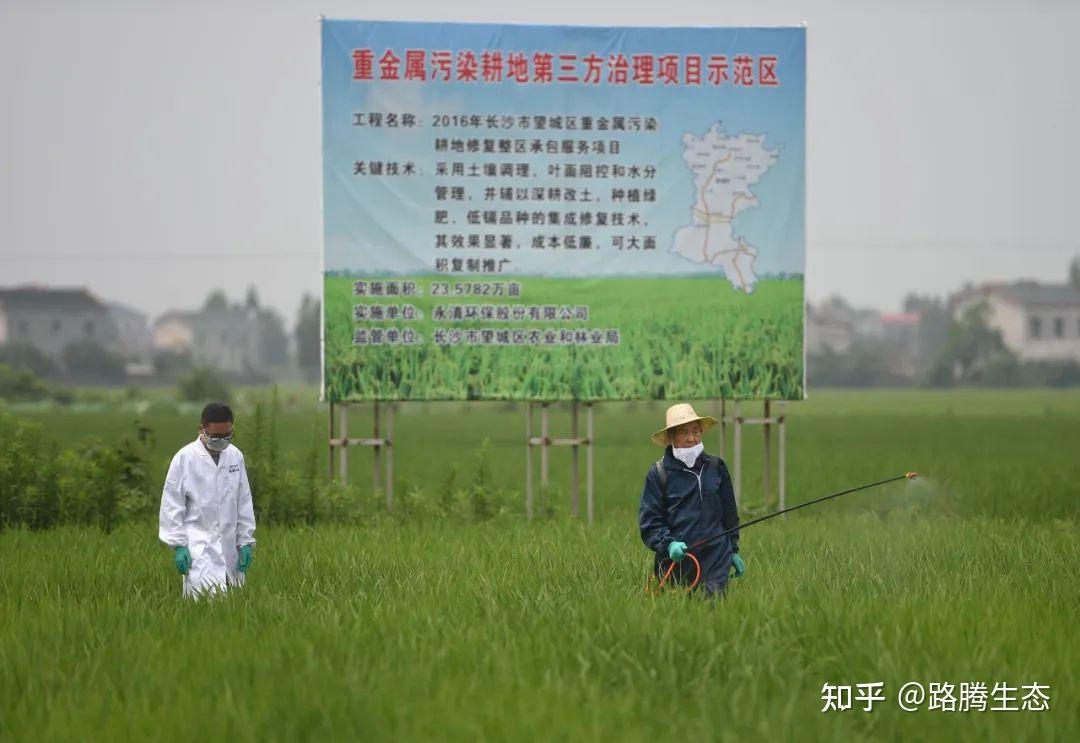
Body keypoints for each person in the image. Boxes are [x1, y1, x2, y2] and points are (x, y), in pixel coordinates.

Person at [638, 403, 745, 597]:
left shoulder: (716, 466)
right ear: (671, 437)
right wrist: (669, 544)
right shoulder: (658, 474)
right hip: (677, 559)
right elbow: (649, 521)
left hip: (716, 555)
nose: (691, 438)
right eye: (684, 432)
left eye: (696, 431)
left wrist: (734, 550)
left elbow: (729, 513)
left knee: (713, 604)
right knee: (680, 612)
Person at [159, 402, 256, 598]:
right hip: (199, 547)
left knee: (234, 609)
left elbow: (243, 502)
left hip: (231, 548)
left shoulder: (235, 456)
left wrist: (245, 542)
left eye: (227, 436)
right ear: (201, 429)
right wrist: (179, 546)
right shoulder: (184, 458)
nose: (221, 441)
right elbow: (171, 505)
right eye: (215, 436)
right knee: (203, 605)